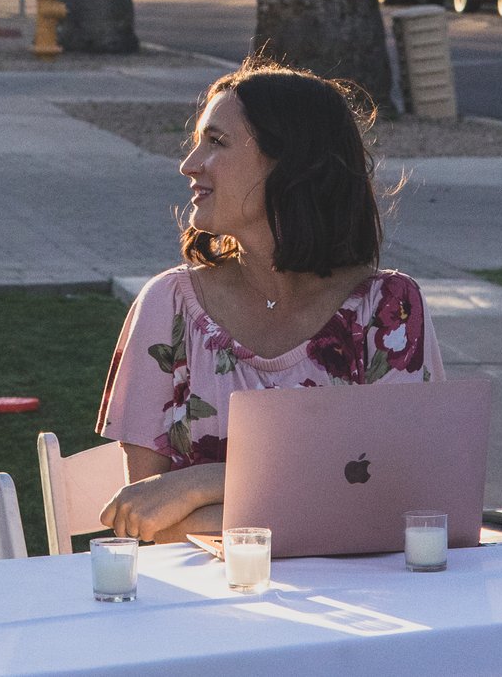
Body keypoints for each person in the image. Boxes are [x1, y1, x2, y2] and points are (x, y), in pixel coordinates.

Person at [94, 64, 444, 542]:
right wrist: (315, 503)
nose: (189, 164)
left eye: (216, 142)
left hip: (362, 605)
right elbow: (147, 519)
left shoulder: (386, 309)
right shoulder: (169, 306)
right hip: (202, 606)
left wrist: (205, 483)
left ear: (291, 163)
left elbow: (399, 508)